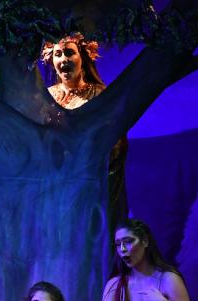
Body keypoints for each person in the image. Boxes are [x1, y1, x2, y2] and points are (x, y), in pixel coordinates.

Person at [41, 32, 128, 227]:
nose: (63, 59)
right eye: (58, 54)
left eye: (69, 53)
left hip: (88, 181)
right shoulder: (45, 98)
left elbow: (114, 142)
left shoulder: (98, 95)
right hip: (52, 181)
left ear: (83, 57)